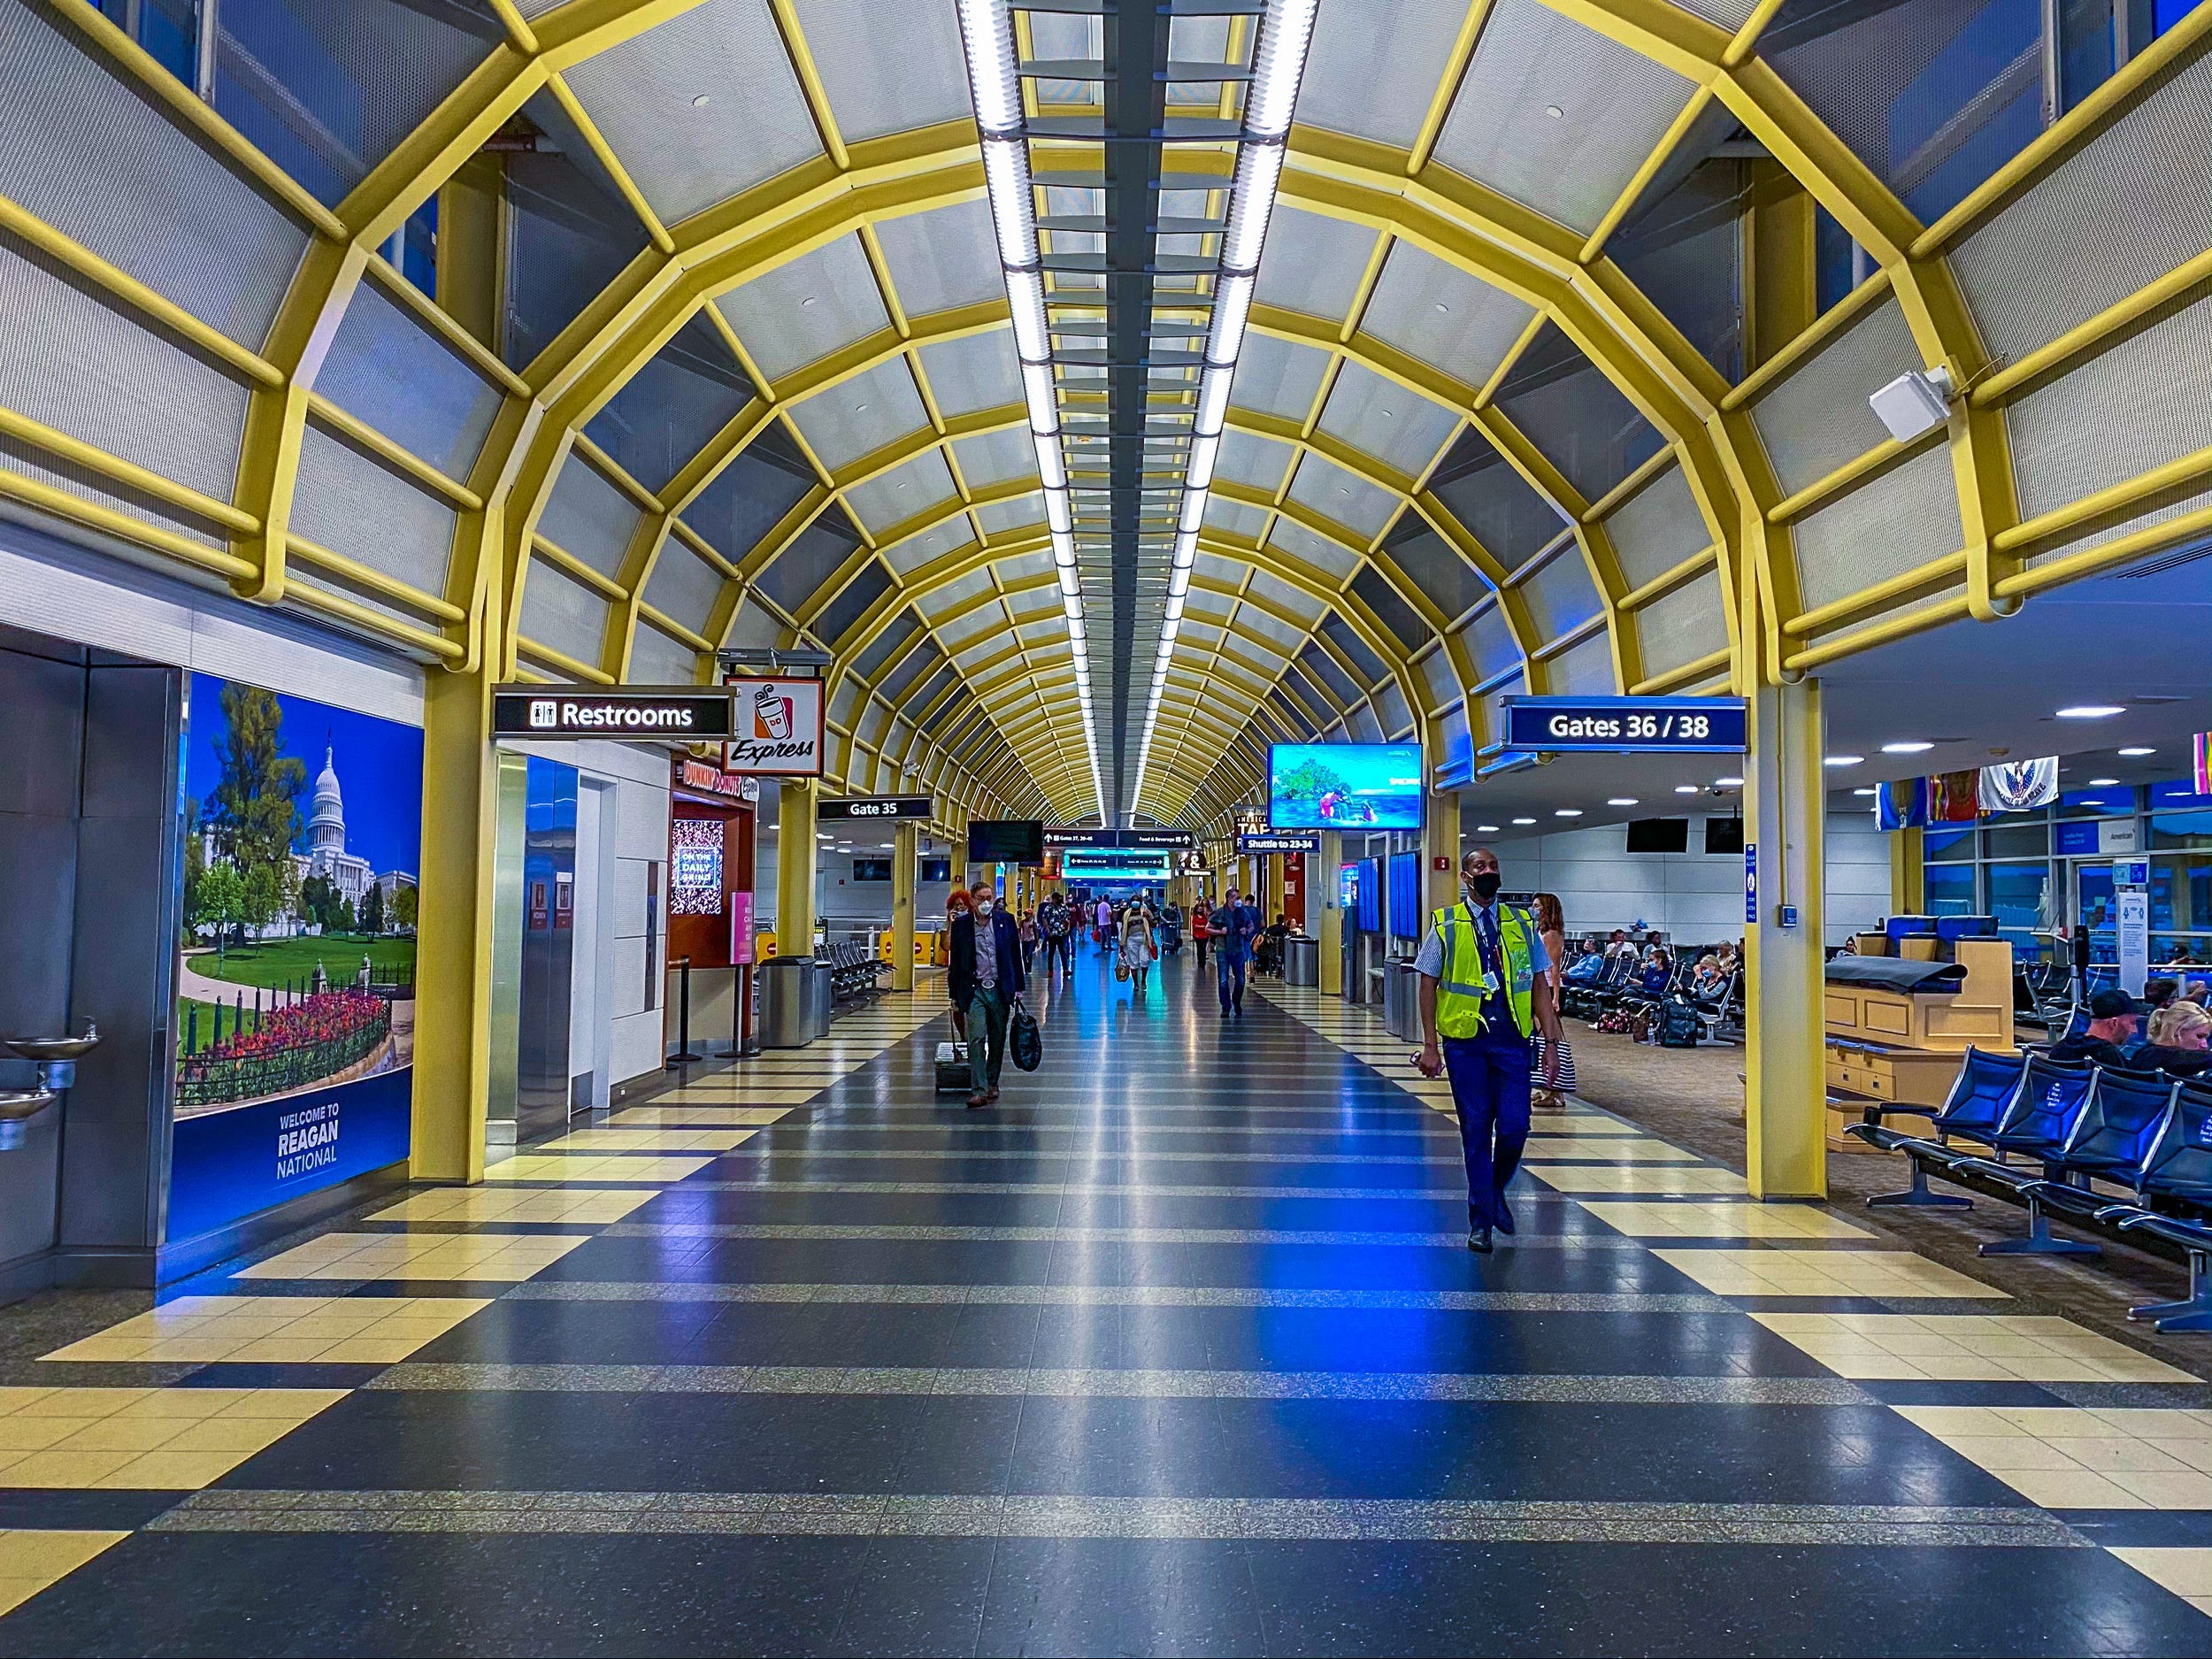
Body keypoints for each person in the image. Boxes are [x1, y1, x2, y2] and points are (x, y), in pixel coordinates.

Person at [1414, 847, 1563, 1254]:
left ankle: (1493, 1192)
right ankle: (1481, 1221)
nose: (1489, 872)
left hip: (1513, 1041)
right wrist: (1430, 1045)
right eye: (1480, 867)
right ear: (1465, 877)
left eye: (1494, 866)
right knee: (1476, 1131)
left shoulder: (1520, 924)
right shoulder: (1446, 925)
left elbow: (1537, 984)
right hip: (1466, 1044)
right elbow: (1427, 983)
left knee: (1515, 1127)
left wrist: (1551, 1045)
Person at [947, 880, 1023, 1109]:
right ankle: (978, 1089)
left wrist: (1018, 987)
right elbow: (956, 963)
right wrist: (954, 996)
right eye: (982, 898)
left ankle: (992, 1081)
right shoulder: (962, 926)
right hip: (975, 989)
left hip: (1000, 989)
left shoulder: (1006, 921)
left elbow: (1014, 956)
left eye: (990, 897)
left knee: (998, 1038)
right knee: (976, 1038)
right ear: (972, 901)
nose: (987, 902)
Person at [1530, 892, 1575, 1109]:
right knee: (1540, 1041)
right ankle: (1546, 1087)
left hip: (1547, 988)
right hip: (1538, 987)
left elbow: (1554, 966)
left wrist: (1555, 996)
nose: (1534, 908)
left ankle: (1557, 1092)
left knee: (1552, 1040)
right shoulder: (1538, 932)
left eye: (1538, 906)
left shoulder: (1552, 935)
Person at [2048, 987, 2141, 1069]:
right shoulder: (2108, 1057)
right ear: (2114, 1023)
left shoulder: (2060, 1048)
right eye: (2132, 1022)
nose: (2135, 1030)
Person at [1212, 885, 1258, 1016]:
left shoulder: (1242, 912)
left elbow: (1251, 926)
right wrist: (1219, 931)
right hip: (1223, 950)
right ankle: (1225, 1007)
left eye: (1239, 898)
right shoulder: (1219, 913)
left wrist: (1246, 930)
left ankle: (1236, 1001)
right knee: (1223, 980)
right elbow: (1208, 928)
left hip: (1238, 950)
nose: (1239, 900)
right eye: (1236, 898)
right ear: (1229, 899)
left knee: (1241, 980)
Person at [2138, 1001, 2212, 1077]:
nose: (2205, 1045)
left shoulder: (2144, 1055)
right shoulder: (2151, 1057)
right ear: (2177, 1030)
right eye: (2199, 1036)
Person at [1119, 900, 1157, 997]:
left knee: (1145, 960)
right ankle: (1135, 983)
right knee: (1134, 963)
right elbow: (1123, 929)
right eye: (1134, 900)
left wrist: (1147, 917)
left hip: (1144, 939)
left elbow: (1154, 924)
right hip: (1131, 940)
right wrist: (1121, 945)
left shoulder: (1146, 911)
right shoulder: (1127, 914)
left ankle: (1143, 980)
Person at [1019, 907, 1039, 976]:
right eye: (1026, 914)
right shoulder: (1022, 922)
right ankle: (1026, 968)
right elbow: (1020, 931)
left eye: (1028, 914)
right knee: (1024, 955)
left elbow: (1036, 932)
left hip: (1031, 940)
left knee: (1029, 954)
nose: (1027, 916)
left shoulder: (1033, 923)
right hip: (1024, 940)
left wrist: (1037, 942)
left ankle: (1029, 968)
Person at [1192, 898, 1211, 969]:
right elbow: (1194, 925)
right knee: (1199, 948)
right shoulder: (1195, 917)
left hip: (1204, 935)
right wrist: (1202, 926)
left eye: (1201, 910)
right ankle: (1199, 960)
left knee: (1203, 948)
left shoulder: (1204, 917)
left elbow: (1207, 923)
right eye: (1199, 910)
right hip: (1197, 935)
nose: (1200, 911)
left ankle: (1203, 962)